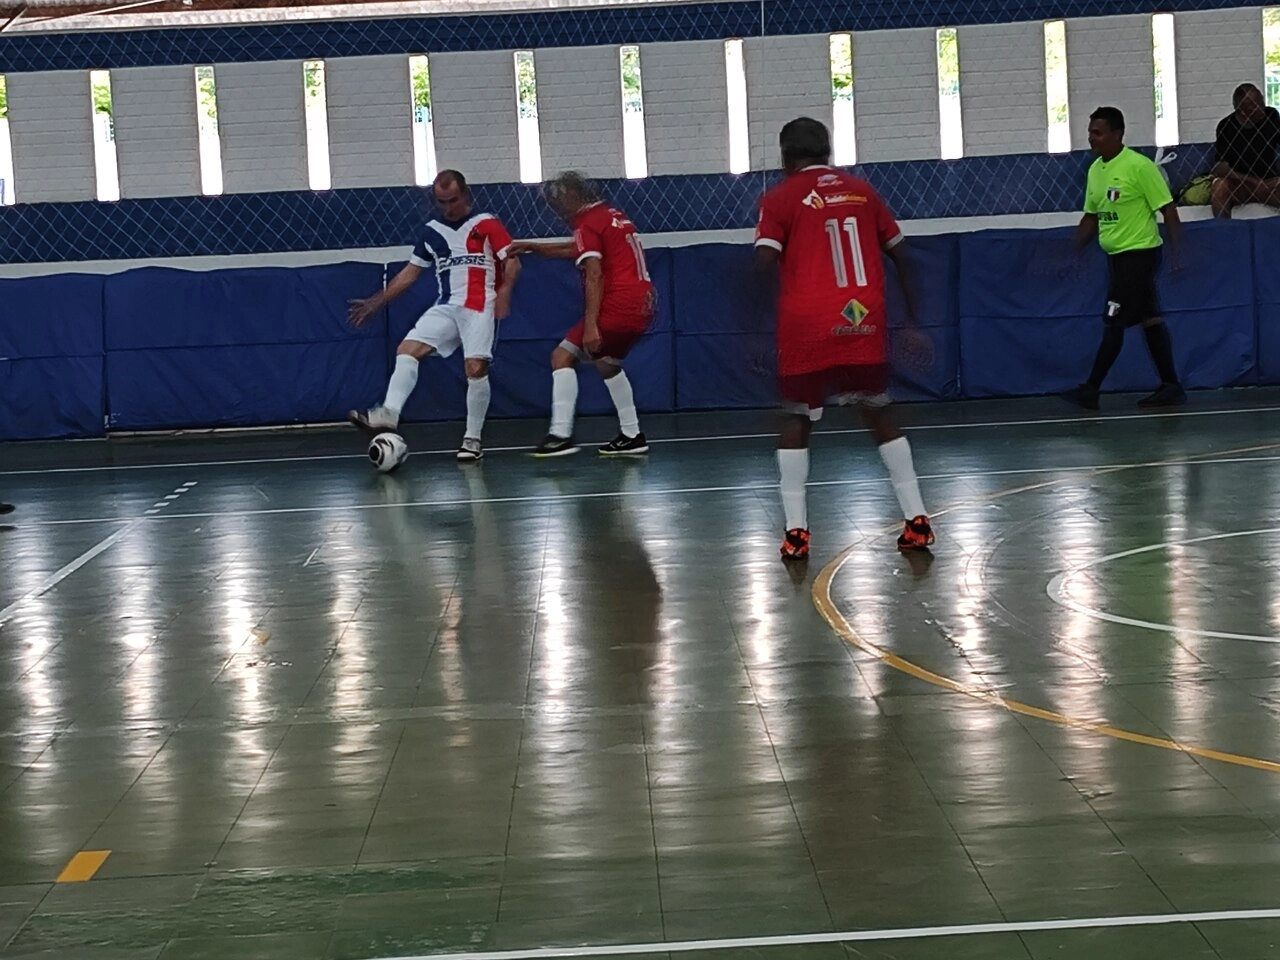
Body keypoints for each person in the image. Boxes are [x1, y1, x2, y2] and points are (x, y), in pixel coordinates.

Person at [754, 117, 934, 562]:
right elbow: (903, 255)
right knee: (878, 412)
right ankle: (917, 519)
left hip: (807, 323)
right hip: (861, 319)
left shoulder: (779, 198)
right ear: (828, 151)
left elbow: (762, 262)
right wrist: (913, 319)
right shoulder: (863, 192)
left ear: (784, 158)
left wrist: (751, 320)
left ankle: (797, 533)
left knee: (796, 419)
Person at [347, 169, 520, 462]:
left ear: (465, 194)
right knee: (407, 350)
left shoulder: (487, 224)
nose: (448, 207)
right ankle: (388, 414)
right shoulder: (431, 232)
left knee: (475, 368)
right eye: (441, 202)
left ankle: (472, 439)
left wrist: (504, 293)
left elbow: (513, 261)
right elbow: (409, 275)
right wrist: (375, 303)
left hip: (480, 304)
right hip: (447, 305)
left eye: (452, 200)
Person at [508, 172, 655, 458]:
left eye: (558, 203)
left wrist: (591, 325)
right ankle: (632, 434)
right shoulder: (612, 215)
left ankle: (560, 434)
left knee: (561, 356)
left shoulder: (585, 222)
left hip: (619, 302)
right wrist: (538, 248)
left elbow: (594, 274)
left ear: (572, 197)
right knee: (606, 363)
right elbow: (583, 250)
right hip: (643, 301)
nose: (556, 210)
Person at [1064, 107, 1185, 411]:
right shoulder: (1095, 171)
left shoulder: (1139, 167)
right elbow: (1091, 216)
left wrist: (1177, 251)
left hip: (1140, 255)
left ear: (1117, 135)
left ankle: (1091, 389)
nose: (1091, 138)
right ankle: (1171, 385)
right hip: (1117, 258)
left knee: (1113, 321)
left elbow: (1168, 209)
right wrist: (1070, 252)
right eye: (1090, 132)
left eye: (1097, 133)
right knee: (1150, 318)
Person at [1211, 82, 1280, 218]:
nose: (1262, 108)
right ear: (1242, 110)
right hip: (1242, 186)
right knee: (1219, 186)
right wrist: (1253, 182)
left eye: (1261, 102)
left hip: (1269, 185)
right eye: (1255, 106)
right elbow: (1220, 169)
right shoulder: (1226, 127)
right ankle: (1225, 232)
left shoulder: (1271, 116)